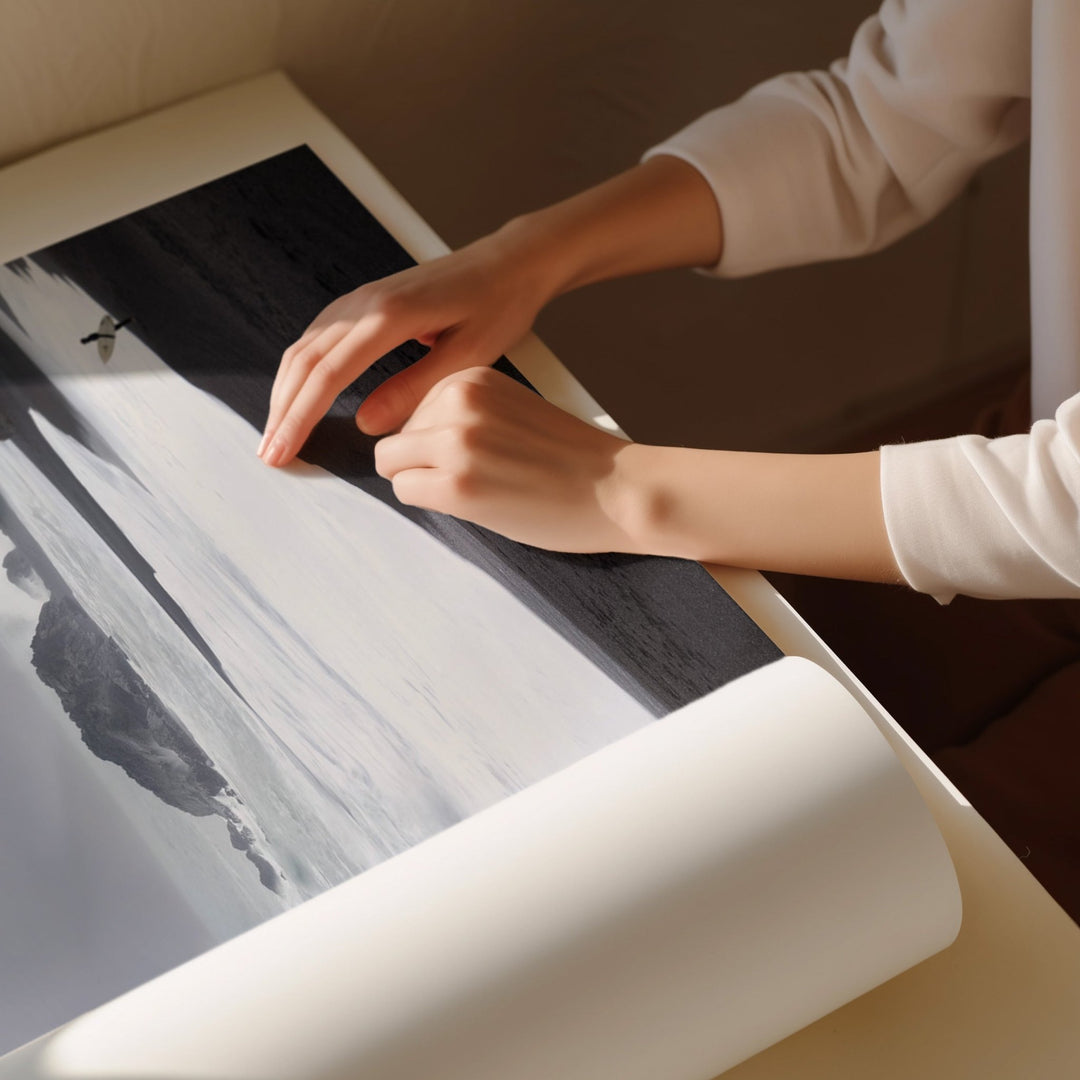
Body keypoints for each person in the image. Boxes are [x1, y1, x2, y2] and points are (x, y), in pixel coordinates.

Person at [260, 0, 1080, 914]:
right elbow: (892, 121)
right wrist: (525, 257)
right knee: (735, 751)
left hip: (1049, 496)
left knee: (874, 908)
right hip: (1031, 461)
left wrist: (618, 485)